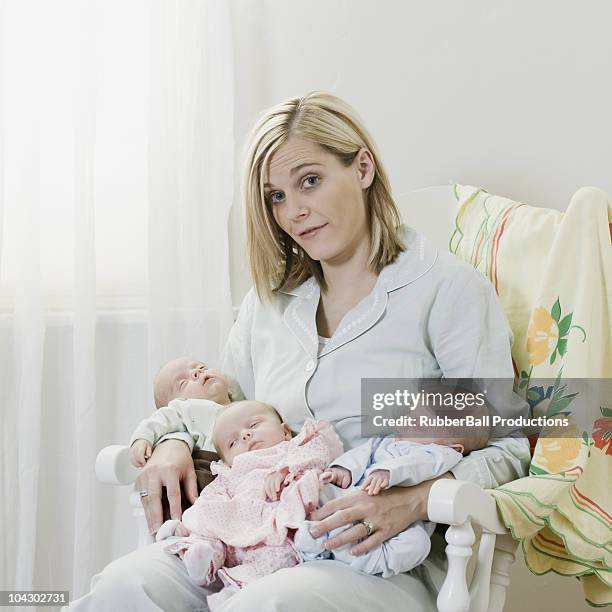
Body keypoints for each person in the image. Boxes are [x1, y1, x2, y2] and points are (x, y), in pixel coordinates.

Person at [68, 91, 530, 611]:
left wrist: (415, 498)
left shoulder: (448, 292)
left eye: (309, 181)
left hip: (381, 558)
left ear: (362, 167)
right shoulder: (265, 306)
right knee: (122, 587)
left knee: (266, 606)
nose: (294, 212)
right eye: (276, 197)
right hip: (252, 545)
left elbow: (509, 446)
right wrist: (174, 440)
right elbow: (224, 414)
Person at [154, 400, 343, 611]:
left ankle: (233, 592)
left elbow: (318, 456)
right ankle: (201, 558)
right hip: (238, 525)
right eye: (232, 443)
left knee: (273, 558)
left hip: (279, 527)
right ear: (226, 461)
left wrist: (284, 470)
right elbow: (212, 498)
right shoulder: (230, 474)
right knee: (208, 525)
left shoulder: (295, 447)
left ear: (286, 431)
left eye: (253, 425)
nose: (244, 436)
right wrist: (193, 520)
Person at [295, 401, 492, 577]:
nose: (403, 423)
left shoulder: (443, 454)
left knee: (417, 545)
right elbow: (363, 453)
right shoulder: (387, 441)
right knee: (319, 486)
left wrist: (389, 472)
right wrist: (342, 469)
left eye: (418, 424)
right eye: (409, 416)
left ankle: (358, 557)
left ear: (454, 447)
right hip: (354, 494)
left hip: (399, 523)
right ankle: (312, 538)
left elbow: (419, 464)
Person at [128, 357, 233, 467]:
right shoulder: (187, 408)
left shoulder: (241, 402)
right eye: (183, 383)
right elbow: (161, 419)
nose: (197, 372)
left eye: (202, 367)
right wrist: (142, 438)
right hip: (218, 471)